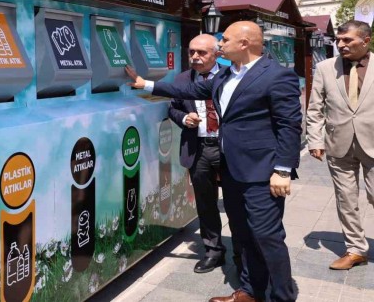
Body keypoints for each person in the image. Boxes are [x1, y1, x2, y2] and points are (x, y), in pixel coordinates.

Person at [127, 21, 301, 302]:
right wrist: (145, 84)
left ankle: (283, 296)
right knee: (243, 232)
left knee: (266, 236)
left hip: (262, 172)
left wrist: (282, 169)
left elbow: (289, 125)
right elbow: (191, 91)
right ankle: (251, 291)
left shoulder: (277, 76)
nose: (221, 44)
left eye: (226, 40)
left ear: (244, 43)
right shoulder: (226, 75)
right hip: (231, 168)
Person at [307, 20, 374, 270]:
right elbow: (315, 108)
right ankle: (355, 250)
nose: (341, 44)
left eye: (348, 40)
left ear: (365, 41)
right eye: (338, 40)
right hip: (339, 144)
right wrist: (315, 139)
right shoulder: (325, 68)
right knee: (346, 199)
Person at [168, 34, 227, 273]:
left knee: (236, 201)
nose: (195, 57)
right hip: (198, 148)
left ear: (216, 54)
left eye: (201, 52)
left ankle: (244, 252)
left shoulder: (229, 75)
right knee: (205, 202)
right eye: (191, 52)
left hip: (227, 147)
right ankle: (213, 251)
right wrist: (184, 118)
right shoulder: (182, 79)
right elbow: (172, 108)